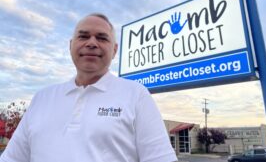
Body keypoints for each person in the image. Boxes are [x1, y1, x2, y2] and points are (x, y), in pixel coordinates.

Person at [0, 13, 177, 162]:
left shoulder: (136, 95)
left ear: (114, 50)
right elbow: (12, 158)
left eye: (102, 37)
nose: (92, 43)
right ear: (71, 45)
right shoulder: (42, 98)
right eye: (83, 36)